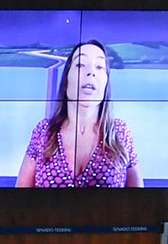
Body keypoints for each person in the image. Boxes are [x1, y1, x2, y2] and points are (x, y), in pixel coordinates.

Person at [15, 40, 143, 188]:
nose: (91, 72)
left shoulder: (120, 132)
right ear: (66, 80)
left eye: (99, 66)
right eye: (81, 65)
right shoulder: (44, 131)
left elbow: (139, 200)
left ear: (106, 83)